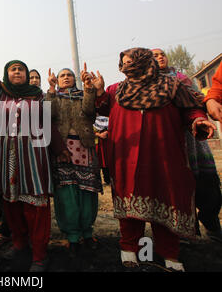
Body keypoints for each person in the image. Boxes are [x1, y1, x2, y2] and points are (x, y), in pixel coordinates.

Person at [91, 47, 215, 272]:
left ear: (145, 62)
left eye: (132, 62)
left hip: (165, 157)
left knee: (167, 202)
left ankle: (169, 254)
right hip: (127, 159)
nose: (127, 66)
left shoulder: (172, 86)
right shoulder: (116, 89)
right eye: (124, 63)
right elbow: (101, 109)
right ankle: (130, 251)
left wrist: (198, 121)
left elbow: (191, 109)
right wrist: (99, 92)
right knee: (130, 208)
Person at [0, 20, 69, 272]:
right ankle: (20, 245)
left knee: (36, 206)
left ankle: (40, 255)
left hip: (34, 158)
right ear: (7, 74)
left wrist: (60, 149)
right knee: (11, 204)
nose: (18, 73)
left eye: (22, 69)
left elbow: (49, 125)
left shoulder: (38, 96)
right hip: (6, 158)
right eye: (13, 70)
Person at [152, 49, 222, 243]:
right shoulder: (147, 85)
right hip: (168, 141)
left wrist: (198, 116)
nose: (160, 57)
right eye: (155, 56)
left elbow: (200, 99)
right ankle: (183, 231)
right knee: (176, 190)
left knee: (208, 187)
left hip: (192, 139)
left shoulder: (182, 78)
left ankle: (212, 225)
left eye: (162, 54)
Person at [46, 67, 102, 257]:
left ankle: (87, 233)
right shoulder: (53, 96)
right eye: (62, 76)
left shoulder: (82, 94)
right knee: (67, 194)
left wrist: (88, 89)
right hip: (61, 149)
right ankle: (72, 236)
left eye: (69, 75)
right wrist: (51, 90)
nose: (66, 78)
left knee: (87, 191)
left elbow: (89, 110)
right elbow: (49, 114)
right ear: (57, 80)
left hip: (85, 148)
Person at [94, 116, 111, 185]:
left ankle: (108, 180)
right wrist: (98, 134)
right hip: (96, 143)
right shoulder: (91, 117)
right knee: (96, 162)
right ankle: (96, 182)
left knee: (106, 161)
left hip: (106, 143)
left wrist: (107, 132)